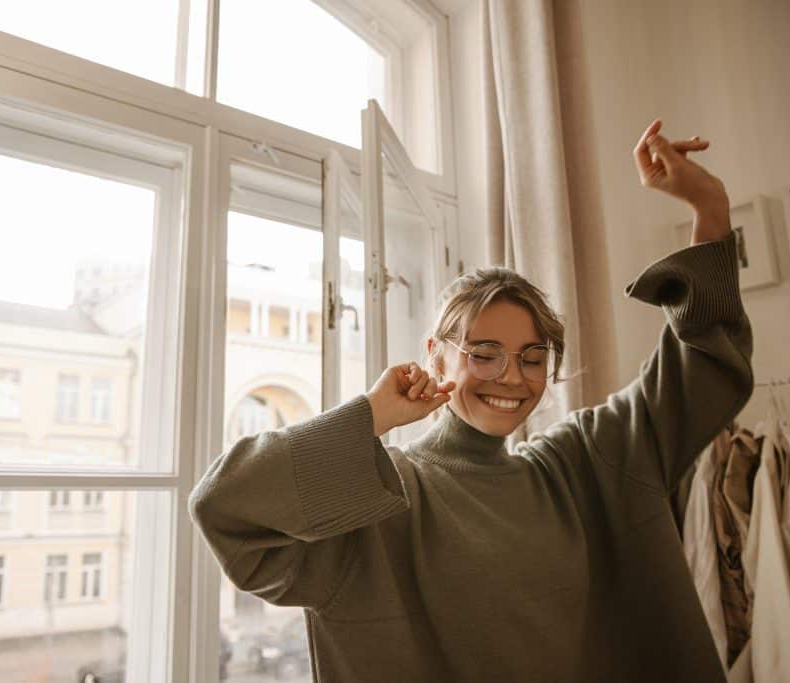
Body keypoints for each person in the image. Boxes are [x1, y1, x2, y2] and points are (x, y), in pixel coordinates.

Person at [189, 119, 753, 682]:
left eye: (533, 357)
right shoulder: (382, 497)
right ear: (437, 355)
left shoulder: (584, 463)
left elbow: (701, 372)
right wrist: (372, 416)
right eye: (485, 353)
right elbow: (225, 507)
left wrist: (708, 207)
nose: (512, 378)